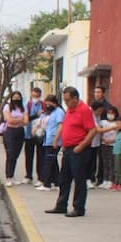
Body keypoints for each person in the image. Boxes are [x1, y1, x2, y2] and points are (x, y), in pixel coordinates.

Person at [45, 86, 97, 217]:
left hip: (78, 149)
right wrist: (60, 141)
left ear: (75, 98)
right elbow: (67, 127)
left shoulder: (84, 110)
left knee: (79, 179)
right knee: (64, 178)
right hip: (67, 149)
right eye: (64, 100)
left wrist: (82, 145)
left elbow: (92, 130)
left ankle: (79, 207)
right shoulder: (69, 109)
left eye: (68, 100)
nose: (66, 103)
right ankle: (61, 205)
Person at [35, 94, 65, 191]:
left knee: (48, 162)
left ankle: (46, 183)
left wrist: (56, 140)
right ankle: (57, 182)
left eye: (49, 104)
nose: (47, 106)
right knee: (53, 162)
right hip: (47, 140)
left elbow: (61, 127)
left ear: (54, 103)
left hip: (54, 141)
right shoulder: (50, 113)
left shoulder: (59, 112)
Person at [0, 91, 27, 186]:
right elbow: (9, 120)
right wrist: (20, 119)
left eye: (18, 97)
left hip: (20, 132)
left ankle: (12, 176)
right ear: (11, 98)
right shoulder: (7, 107)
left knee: (16, 155)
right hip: (9, 132)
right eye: (14, 97)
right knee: (10, 154)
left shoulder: (23, 108)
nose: (16, 99)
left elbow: (26, 121)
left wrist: (16, 121)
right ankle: (8, 177)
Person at [22, 87, 43, 185]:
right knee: (29, 156)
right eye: (34, 96)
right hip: (29, 134)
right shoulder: (27, 104)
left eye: (37, 96)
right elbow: (26, 119)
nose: (36, 98)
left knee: (40, 156)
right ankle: (28, 176)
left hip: (40, 134)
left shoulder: (43, 105)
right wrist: (36, 115)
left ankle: (40, 177)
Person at [96, 105, 120, 189]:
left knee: (111, 163)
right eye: (108, 113)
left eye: (112, 113)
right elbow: (99, 132)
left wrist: (111, 141)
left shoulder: (117, 123)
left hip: (112, 145)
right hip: (103, 144)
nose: (110, 115)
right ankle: (104, 180)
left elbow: (118, 135)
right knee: (104, 162)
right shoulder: (103, 122)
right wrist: (103, 139)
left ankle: (110, 180)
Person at [87, 100, 105, 188]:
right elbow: (97, 129)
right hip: (89, 142)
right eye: (99, 111)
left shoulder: (97, 115)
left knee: (93, 161)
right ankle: (87, 179)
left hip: (95, 142)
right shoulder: (90, 115)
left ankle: (91, 178)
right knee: (88, 161)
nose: (100, 112)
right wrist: (113, 127)